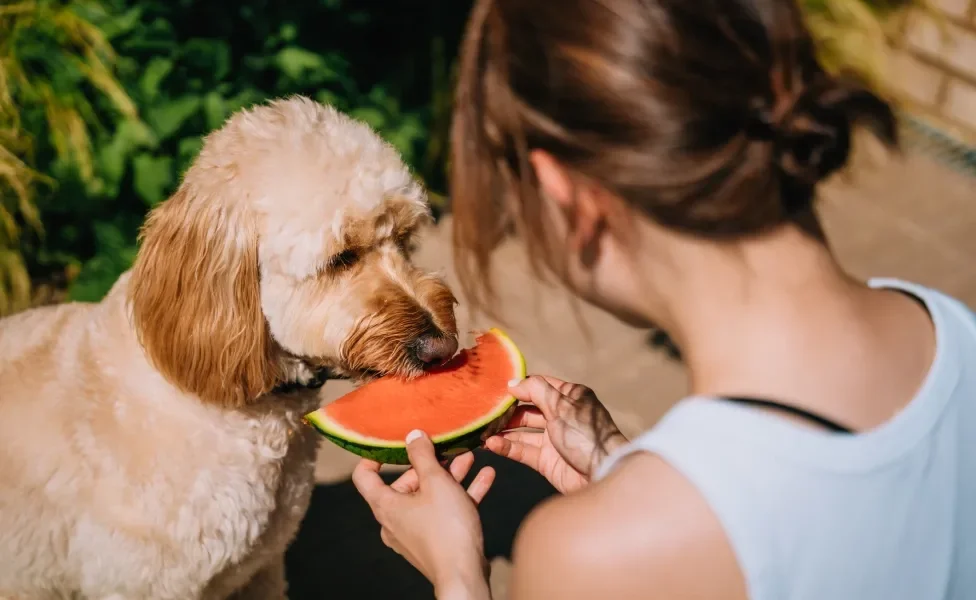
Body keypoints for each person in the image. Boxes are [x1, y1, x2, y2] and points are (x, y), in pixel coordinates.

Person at [351, 0, 976, 597]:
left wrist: (458, 575)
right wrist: (622, 467)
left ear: (567, 195)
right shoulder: (950, 326)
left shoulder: (595, 554)